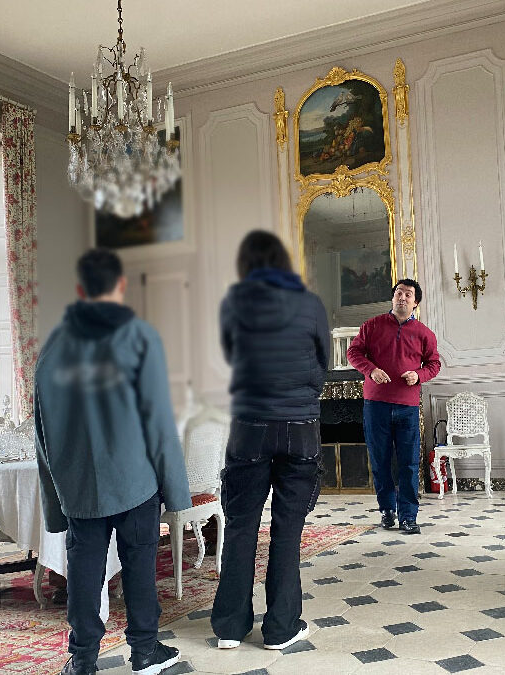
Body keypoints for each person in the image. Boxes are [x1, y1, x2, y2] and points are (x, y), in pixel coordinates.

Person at [34, 248, 191, 675]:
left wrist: (55, 504)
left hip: (80, 489)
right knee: (140, 567)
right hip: (136, 482)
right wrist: (177, 492)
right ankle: (144, 652)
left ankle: (82, 659)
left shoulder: (51, 349)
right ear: (120, 287)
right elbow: (159, 422)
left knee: (83, 574)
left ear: (81, 290)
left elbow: (41, 435)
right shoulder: (139, 337)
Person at [211, 230, 330, 652]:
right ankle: (280, 628)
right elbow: (324, 366)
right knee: (287, 530)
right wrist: (299, 395)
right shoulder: (311, 304)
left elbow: (229, 357)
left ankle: (228, 627)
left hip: (249, 426)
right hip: (299, 426)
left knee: (241, 527)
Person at [346, 279, 440, 534]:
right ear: (392, 298)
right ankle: (387, 510)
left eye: (408, 294)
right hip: (375, 405)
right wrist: (371, 369)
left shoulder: (424, 333)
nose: (403, 297)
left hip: (407, 407)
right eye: (399, 293)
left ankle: (409, 516)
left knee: (409, 463)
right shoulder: (372, 326)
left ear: (415, 302)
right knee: (380, 460)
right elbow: (353, 353)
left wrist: (419, 375)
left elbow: (434, 364)